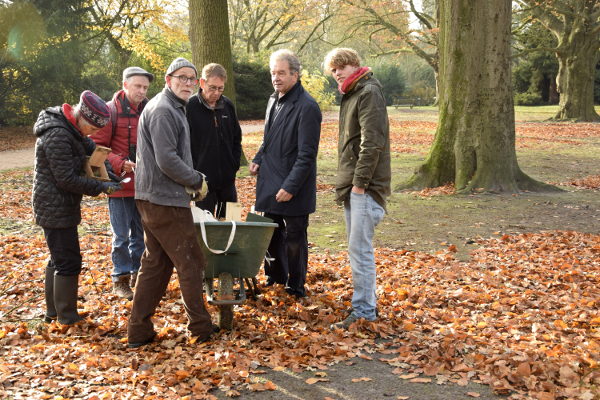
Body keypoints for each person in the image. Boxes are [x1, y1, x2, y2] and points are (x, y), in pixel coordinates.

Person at [127, 57, 216, 348]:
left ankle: (139, 331)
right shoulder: (165, 110)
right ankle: (201, 329)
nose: (188, 83)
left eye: (192, 79)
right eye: (182, 78)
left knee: (156, 264)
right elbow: (167, 160)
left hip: (153, 197)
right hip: (164, 201)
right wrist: (196, 180)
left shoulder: (169, 107)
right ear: (168, 80)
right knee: (192, 262)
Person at [33, 90, 122, 325]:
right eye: (91, 129)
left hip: (62, 204)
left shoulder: (73, 130)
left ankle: (54, 313)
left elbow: (94, 153)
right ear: (81, 116)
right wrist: (100, 187)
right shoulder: (57, 134)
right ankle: (68, 317)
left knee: (58, 258)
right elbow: (66, 179)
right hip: (54, 206)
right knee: (69, 260)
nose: (92, 134)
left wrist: (111, 177)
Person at [323, 48, 391, 329]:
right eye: (334, 69)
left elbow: (371, 142)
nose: (337, 72)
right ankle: (362, 305)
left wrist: (360, 185)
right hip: (355, 185)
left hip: (364, 186)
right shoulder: (353, 92)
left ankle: (364, 311)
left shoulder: (368, 92)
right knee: (356, 249)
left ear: (355, 65)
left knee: (360, 249)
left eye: (342, 66)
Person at [249, 49, 322, 299]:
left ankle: (295, 286)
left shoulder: (308, 107)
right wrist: (258, 158)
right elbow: (267, 138)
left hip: (294, 186)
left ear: (295, 75)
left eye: (281, 73)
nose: (276, 78)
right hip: (270, 180)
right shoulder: (273, 100)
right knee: (270, 233)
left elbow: (307, 155)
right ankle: (274, 277)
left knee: (294, 238)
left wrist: (291, 186)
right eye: (273, 73)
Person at [93, 67, 154, 300]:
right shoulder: (110, 112)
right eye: (137, 86)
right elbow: (96, 149)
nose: (141, 91)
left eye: (145, 87)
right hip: (118, 185)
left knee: (142, 235)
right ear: (125, 85)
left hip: (145, 185)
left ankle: (140, 276)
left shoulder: (150, 109)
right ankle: (120, 279)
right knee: (121, 236)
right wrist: (120, 163)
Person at [186, 63, 242, 219]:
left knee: (232, 225)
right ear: (202, 83)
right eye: (212, 88)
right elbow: (183, 144)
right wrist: (193, 174)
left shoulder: (228, 105)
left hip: (228, 182)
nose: (216, 93)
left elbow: (237, 137)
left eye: (220, 88)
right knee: (207, 231)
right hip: (202, 185)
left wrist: (234, 164)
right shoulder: (190, 107)